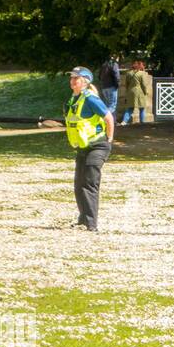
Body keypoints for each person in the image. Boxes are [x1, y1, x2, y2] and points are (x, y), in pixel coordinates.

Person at [65, 66, 115, 231]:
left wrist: (109, 138)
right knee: (79, 184)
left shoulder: (90, 98)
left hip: (98, 147)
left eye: (76, 78)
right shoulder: (74, 99)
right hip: (83, 147)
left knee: (89, 184)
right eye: (71, 78)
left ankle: (91, 224)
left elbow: (108, 118)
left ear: (85, 82)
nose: (72, 81)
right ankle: (83, 219)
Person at [120, 59, 153, 124]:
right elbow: (143, 84)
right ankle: (142, 122)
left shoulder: (128, 73)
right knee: (142, 108)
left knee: (130, 108)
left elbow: (126, 84)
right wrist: (145, 91)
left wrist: (128, 90)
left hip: (130, 91)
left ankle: (124, 121)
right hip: (139, 92)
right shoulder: (141, 73)